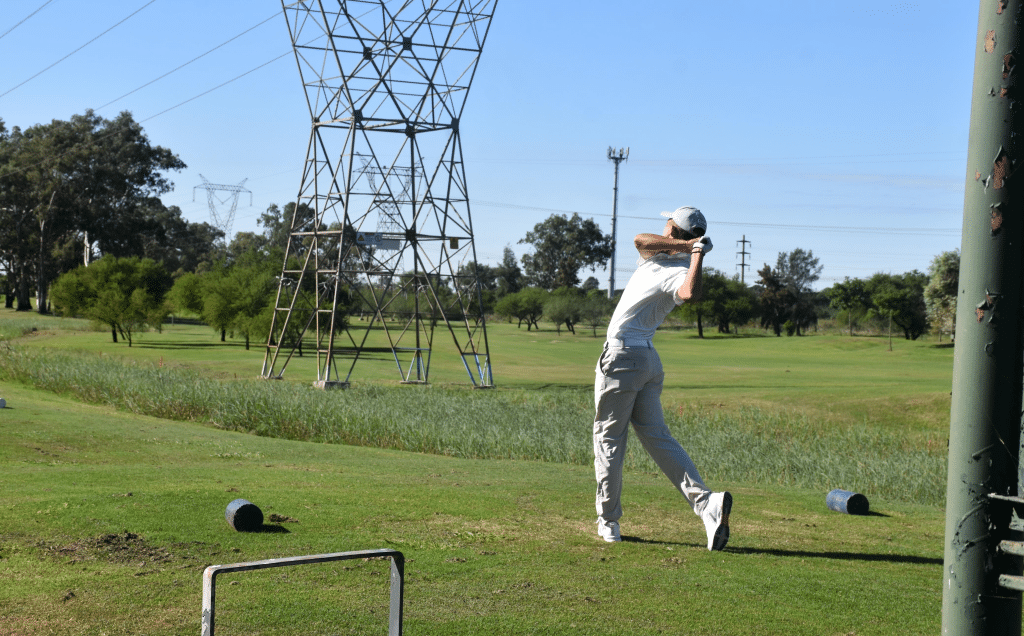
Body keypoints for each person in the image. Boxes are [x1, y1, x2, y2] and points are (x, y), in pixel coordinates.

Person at [592, 206, 732, 550]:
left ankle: (608, 521)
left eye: (667, 223)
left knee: (609, 439)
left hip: (623, 357)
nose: (661, 228)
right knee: (658, 438)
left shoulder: (677, 270)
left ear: (672, 230)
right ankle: (706, 504)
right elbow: (640, 239)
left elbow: (689, 294)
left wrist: (696, 255)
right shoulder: (657, 254)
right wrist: (692, 247)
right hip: (646, 360)